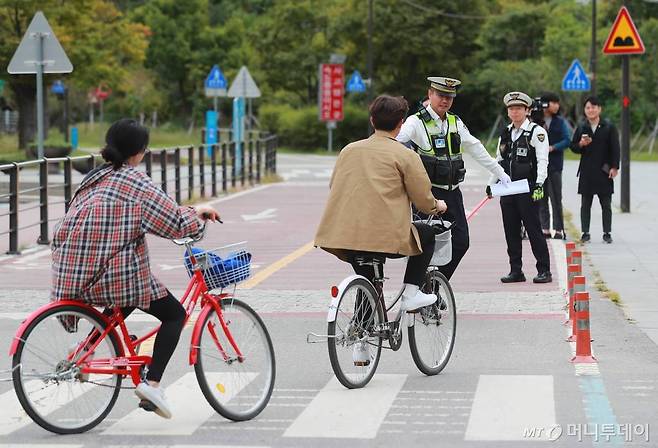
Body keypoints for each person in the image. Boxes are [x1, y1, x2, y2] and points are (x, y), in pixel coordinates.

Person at [51, 119, 220, 419]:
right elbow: (175, 223)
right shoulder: (136, 182)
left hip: (71, 271)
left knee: (128, 299)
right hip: (110, 272)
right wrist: (198, 214)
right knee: (175, 315)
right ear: (140, 151)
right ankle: (153, 385)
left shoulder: (94, 177)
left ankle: (82, 353)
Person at [314, 95, 447, 364]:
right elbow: (423, 200)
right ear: (400, 124)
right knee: (427, 234)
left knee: (367, 281)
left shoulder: (348, 150)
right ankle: (411, 293)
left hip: (344, 234)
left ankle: (361, 347)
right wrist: (439, 206)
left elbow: (334, 185)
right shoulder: (405, 155)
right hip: (386, 236)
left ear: (372, 120)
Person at [397, 76, 511, 280]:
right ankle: (418, 287)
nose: (445, 100)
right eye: (441, 95)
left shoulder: (455, 122)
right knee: (423, 245)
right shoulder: (416, 122)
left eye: (450, 97)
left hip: (452, 194)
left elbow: (476, 148)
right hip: (427, 194)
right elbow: (396, 141)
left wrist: (500, 173)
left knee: (461, 242)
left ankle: (437, 283)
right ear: (430, 94)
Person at [491, 92, 552, 283]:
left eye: (519, 108)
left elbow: (543, 161)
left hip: (529, 189)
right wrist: (490, 184)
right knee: (511, 231)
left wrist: (539, 184)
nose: (514, 111)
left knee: (534, 230)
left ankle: (544, 270)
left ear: (527, 110)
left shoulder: (537, 132)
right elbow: (498, 161)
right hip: (508, 189)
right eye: (511, 108)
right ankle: (516, 270)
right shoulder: (505, 132)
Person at [569, 96, 620, 244]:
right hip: (587, 171)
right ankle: (585, 232)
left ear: (599, 109)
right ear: (585, 110)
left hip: (604, 171)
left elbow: (615, 149)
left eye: (593, 107)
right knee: (585, 204)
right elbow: (573, 147)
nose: (591, 110)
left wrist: (614, 167)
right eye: (588, 108)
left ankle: (607, 232)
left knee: (606, 204)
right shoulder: (582, 127)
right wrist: (581, 144)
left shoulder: (608, 127)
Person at [538, 92, 571, 240]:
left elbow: (567, 140)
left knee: (556, 198)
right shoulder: (535, 120)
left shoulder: (560, 121)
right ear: (545, 104)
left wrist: (553, 147)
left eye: (557, 103)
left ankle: (559, 229)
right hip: (539, 166)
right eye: (553, 102)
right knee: (541, 198)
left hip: (555, 166)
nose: (557, 106)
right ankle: (544, 228)